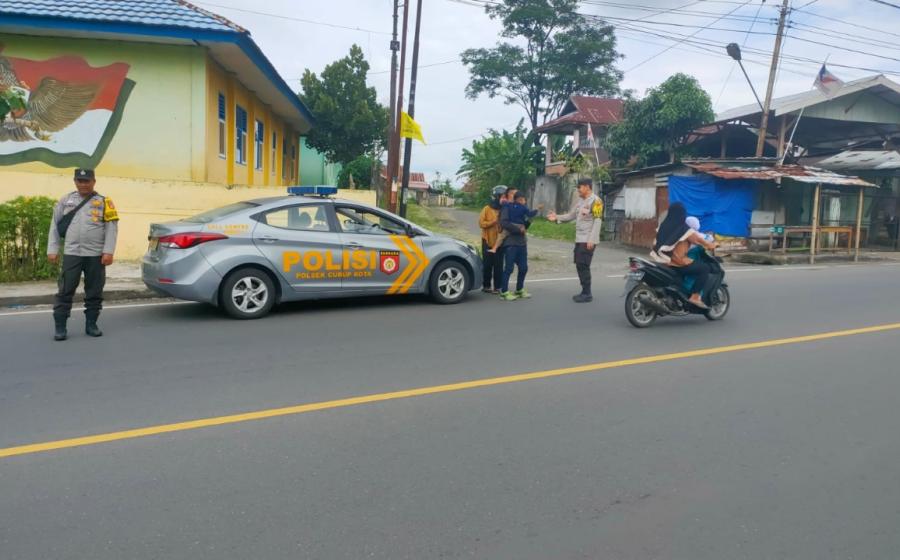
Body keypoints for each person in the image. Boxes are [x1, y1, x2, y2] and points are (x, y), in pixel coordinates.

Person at [47, 168, 119, 341]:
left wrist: (108, 251)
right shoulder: (66, 200)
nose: (83, 184)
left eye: (87, 181)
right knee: (65, 290)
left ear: (94, 182)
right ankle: (60, 327)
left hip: (95, 255)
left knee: (94, 291)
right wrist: (52, 249)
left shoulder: (104, 202)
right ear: (75, 181)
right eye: (80, 180)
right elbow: (55, 225)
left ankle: (91, 325)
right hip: (72, 253)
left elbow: (112, 228)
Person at [650, 202, 716, 309]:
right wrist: (712, 245)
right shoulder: (684, 229)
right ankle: (695, 296)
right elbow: (700, 240)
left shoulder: (663, 226)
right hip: (678, 263)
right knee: (704, 268)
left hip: (661, 261)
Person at [547, 178, 603, 303]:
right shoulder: (580, 201)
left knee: (583, 265)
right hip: (580, 238)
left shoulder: (597, 201)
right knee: (579, 264)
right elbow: (571, 215)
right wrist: (556, 217)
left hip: (588, 239)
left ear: (588, 187)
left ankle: (587, 293)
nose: (578, 190)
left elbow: (598, 221)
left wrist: (592, 240)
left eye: (580, 187)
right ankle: (584, 291)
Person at [498, 187, 530, 301]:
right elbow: (504, 223)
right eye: (512, 194)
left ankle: (519, 289)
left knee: (523, 268)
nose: (514, 196)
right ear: (508, 196)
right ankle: (504, 292)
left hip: (522, 242)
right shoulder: (506, 208)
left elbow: (525, 226)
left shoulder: (521, 208)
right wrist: (518, 229)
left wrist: (528, 221)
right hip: (510, 242)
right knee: (509, 268)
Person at [479, 185, 508, 293]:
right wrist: (493, 222)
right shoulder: (487, 209)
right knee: (487, 264)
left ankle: (497, 287)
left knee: (499, 265)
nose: (504, 199)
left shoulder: (505, 209)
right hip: (487, 240)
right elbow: (481, 223)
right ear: (496, 197)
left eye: (505, 197)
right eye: (502, 197)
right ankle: (486, 286)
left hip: (500, 242)